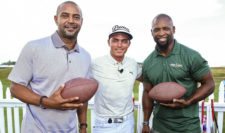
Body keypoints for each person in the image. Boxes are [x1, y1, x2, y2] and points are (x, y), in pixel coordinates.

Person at [8, 1, 91, 133]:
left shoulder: (85, 56)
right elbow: (15, 88)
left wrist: (83, 126)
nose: (71, 21)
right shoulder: (34, 48)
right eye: (65, 15)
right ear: (56, 19)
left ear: (82, 21)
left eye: (76, 17)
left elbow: (82, 97)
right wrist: (47, 102)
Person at [141, 13, 215, 133]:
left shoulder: (191, 56)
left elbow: (209, 84)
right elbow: (147, 92)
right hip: (159, 127)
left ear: (173, 30)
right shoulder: (148, 63)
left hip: (188, 127)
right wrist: (145, 122)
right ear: (151, 32)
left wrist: (188, 101)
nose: (161, 33)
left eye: (166, 28)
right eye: (156, 29)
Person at [91, 25, 142, 133]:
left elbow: (148, 79)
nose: (119, 45)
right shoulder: (95, 64)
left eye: (124, 41)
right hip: (103, 124)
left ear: (129, 44)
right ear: (108, 42)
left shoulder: (133, 64)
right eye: (115, 40)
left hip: (127, 123)